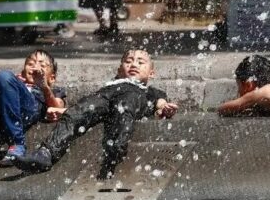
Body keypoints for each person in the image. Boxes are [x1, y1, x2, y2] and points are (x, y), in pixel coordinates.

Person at [14, 49, 179, 179]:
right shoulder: (108, 87)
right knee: (80, 110)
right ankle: (46, 153)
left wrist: (164, 108)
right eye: (128, 61)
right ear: (119, 70)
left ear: (151, 73)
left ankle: (116, 149)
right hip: (105, 97)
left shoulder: (147, 91)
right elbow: (88, 108)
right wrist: (65, 111)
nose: (133, 64)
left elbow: (160, 103)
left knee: (124, 108)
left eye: (140, 62)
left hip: (129, 101)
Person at [0, 50, 66, 167]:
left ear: (52, 78)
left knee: (4, 75)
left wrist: (44, 87)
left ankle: (17, 143)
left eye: (42, 65)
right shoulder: (13, 83)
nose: (35, 68)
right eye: (30, 64)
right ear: (22, 72)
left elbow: (58, 107)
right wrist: (11, 81)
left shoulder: (51, 91)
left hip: (27, 109)